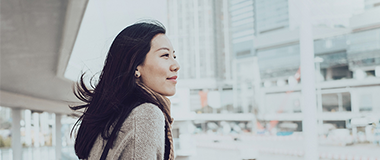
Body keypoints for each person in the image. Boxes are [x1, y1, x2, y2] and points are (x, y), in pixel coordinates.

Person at [70, 20, 180, 160]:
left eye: (174, 56)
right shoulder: (145, 115)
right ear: (136, 66)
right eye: (165, 55)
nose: (176, 65)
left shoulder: (115, 115)